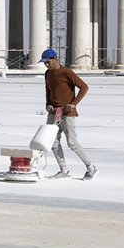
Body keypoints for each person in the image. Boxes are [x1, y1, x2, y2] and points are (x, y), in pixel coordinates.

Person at [39, 48, 97, 180]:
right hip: (53, 113)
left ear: (54, 59)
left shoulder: (66, 72)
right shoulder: (47, 74)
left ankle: (91, 167)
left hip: (67, 112)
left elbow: (84, 87)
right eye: (44, 63)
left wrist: (73, 103)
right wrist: (47, 104)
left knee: (72, 142)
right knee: (53, 142)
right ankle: (64, 169)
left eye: (48, 62)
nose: (46, 65)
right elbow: (48, 91)